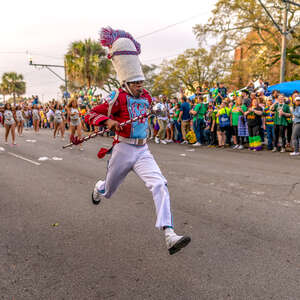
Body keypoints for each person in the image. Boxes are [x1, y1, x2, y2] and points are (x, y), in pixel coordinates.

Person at [84, 27, 191, 255]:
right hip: (122, 148)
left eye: (141, 81)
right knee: (109, 191)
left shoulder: (148, 97)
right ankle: (99, 188)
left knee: (160, 184)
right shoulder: (116, 97)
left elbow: (158, 113)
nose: (140, 86)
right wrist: (107, 121)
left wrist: (159, 111)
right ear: (126, 83)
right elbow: (90, 115)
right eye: (136, 83)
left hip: (143, 150)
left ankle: (169, 234)